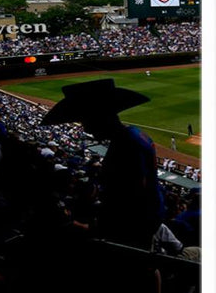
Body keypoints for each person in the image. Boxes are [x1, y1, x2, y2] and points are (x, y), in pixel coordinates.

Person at [43, 78, 160, 250]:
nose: (85, 128)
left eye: (85, 120)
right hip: (137, 226)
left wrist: (94, 228)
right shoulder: (131, 135)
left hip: (130, 234)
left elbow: (133, 199)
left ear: (99, 117)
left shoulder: (127, 144)